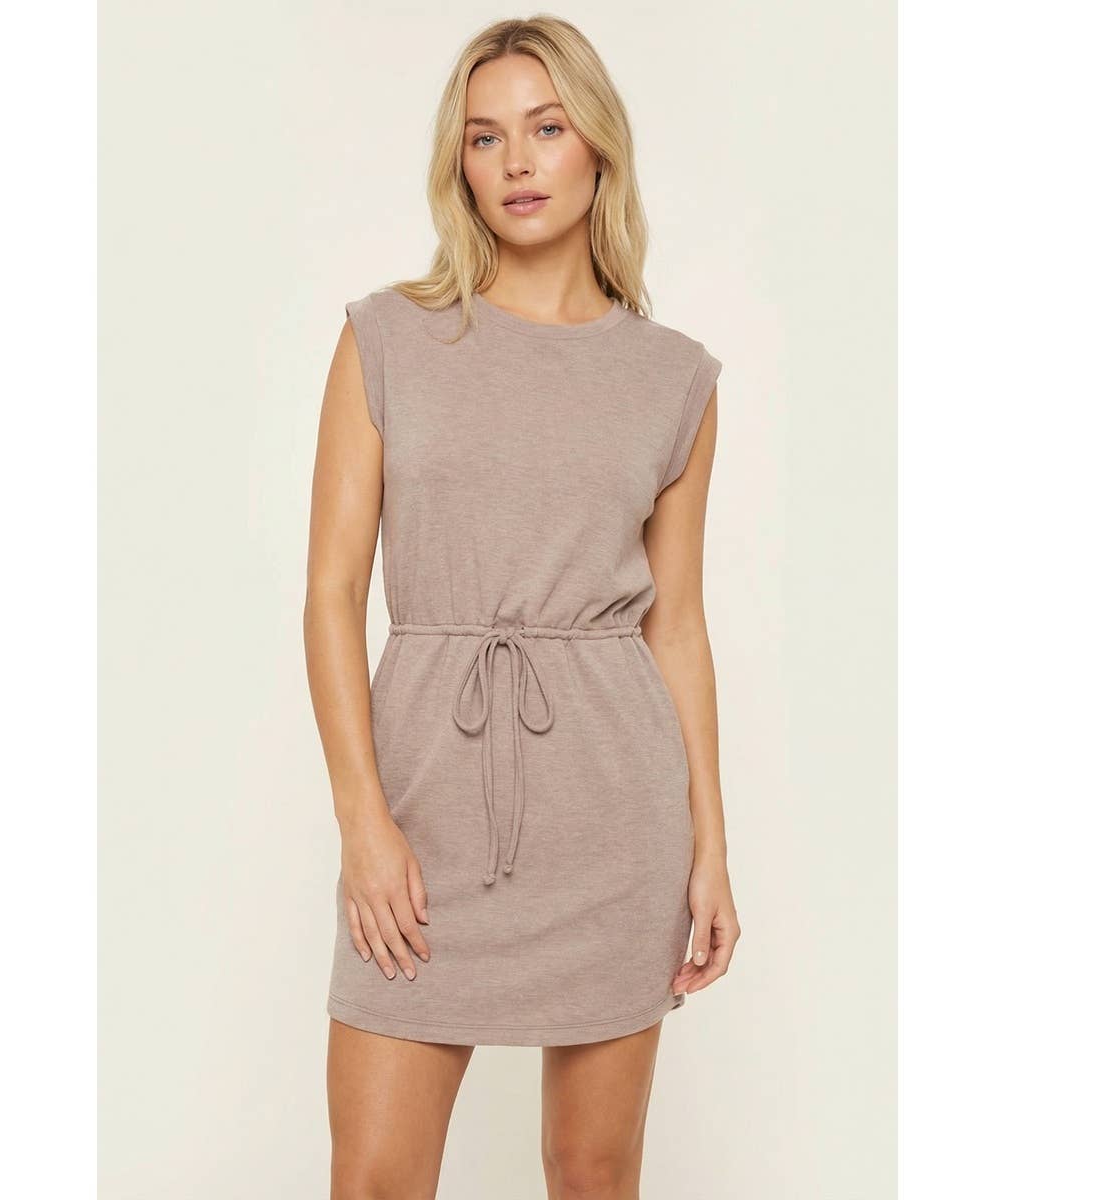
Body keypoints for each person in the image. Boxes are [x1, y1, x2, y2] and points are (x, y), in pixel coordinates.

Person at [305, 15, 741, 1198]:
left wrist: (710, 847)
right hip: (424, 808)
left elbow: (677, 627)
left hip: (613, 818)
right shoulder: (386, 339)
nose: (516, 162)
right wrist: (363, 822)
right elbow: (332, 595)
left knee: (593, 1176)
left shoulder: (674, 378)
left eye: (546, 128)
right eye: (485, 136)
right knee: (375, 1179)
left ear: (599, 143)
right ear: (458, 162)